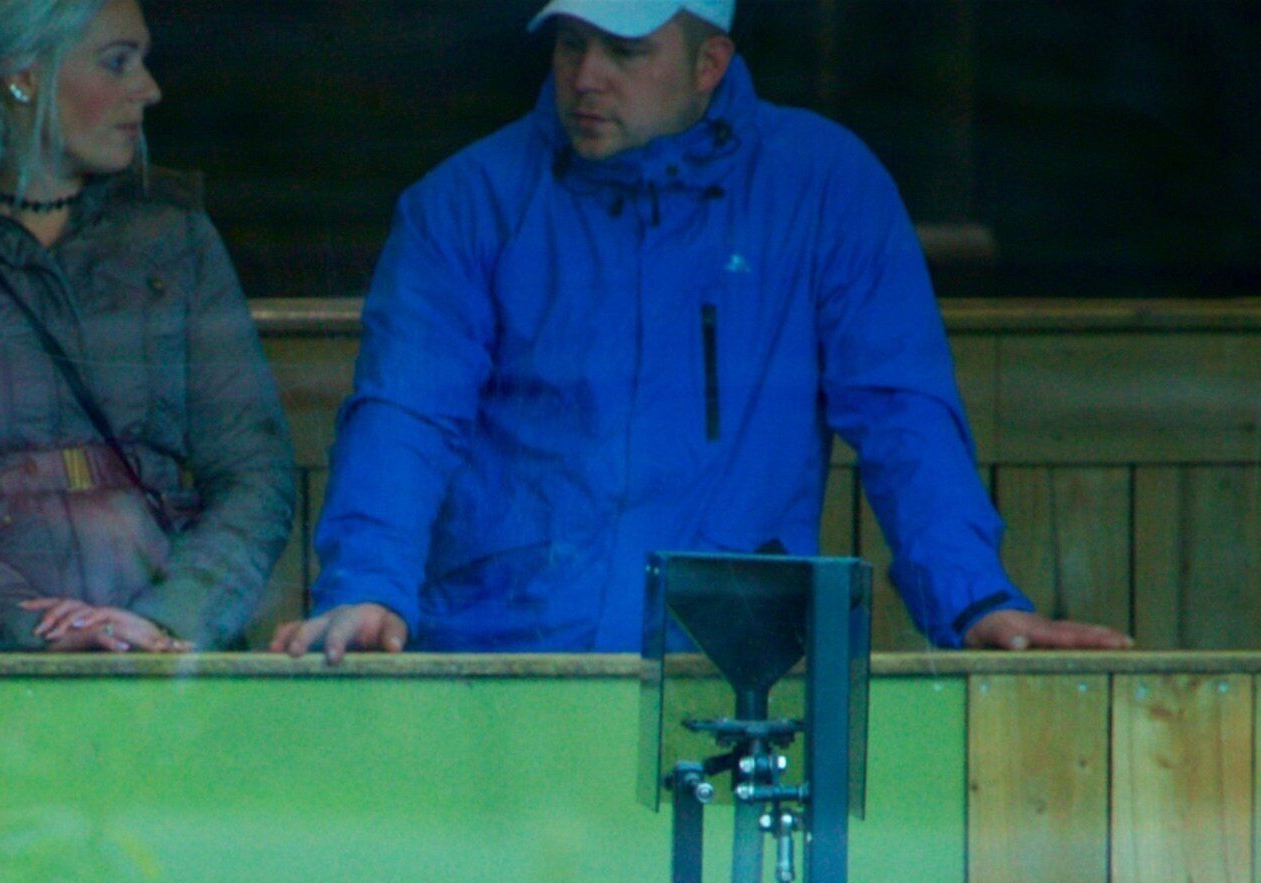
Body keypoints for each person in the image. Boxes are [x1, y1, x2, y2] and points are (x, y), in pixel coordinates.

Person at [273, 0, 1123, 659]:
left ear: (710, 61)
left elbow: (904, 414)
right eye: (571, 43)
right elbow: (406, 414)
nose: (585, 77)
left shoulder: (825, 187)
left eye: (626, 50)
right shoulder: (464, 203)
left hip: (732, 672)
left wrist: (975, 599)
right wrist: (367, 587)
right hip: (504, 655)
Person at [0, 0, 297, 654]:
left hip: (161, 672)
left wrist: (170, 620)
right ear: (23, 77)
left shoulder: (173, 240)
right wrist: (26, 625)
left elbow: (255, 473)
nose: (149, 90)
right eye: (118, 62)